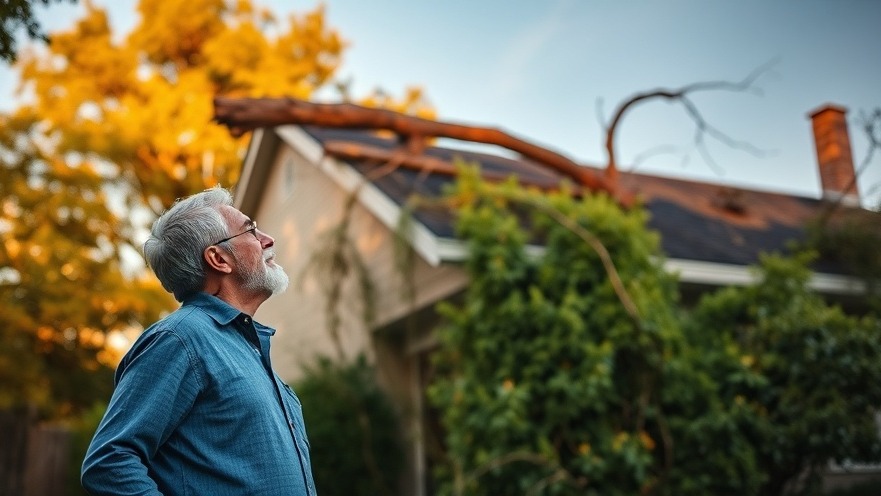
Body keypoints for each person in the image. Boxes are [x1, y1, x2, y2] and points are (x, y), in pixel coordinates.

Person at [81, 187, 316, 495]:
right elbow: (108, 463)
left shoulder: (243, 344)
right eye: (251, 230)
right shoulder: (180, 339)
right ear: (218, 258)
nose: (267, 239)